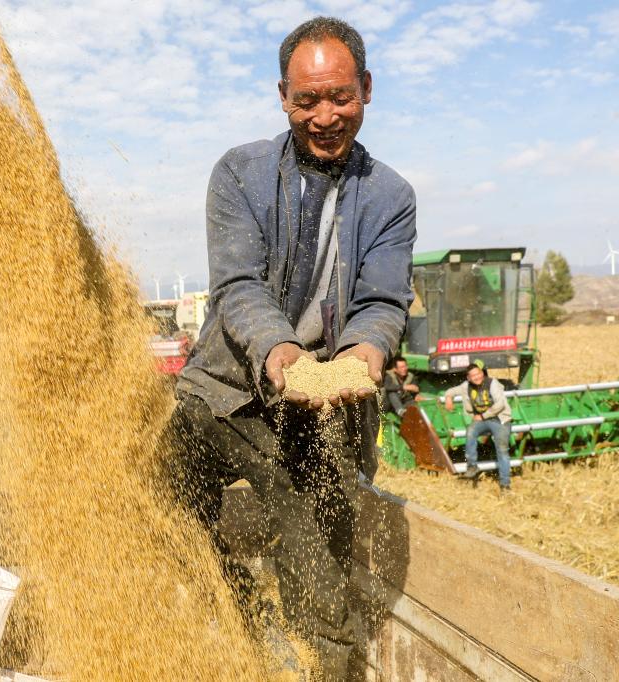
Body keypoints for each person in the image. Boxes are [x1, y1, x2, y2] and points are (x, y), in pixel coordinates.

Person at [163, 16, 416, 680]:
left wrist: (364, 354)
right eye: (307, 101)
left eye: (340, 97)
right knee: (161, 480)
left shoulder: (390, 197)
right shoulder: (240, 173)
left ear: (365, 88)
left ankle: (320, 659)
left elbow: (381, 301)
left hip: (315, 411)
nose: (325, 115)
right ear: (283, 97)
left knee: (318, 567)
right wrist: (278, 351)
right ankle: (235, 618)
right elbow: (239, 282)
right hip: (225, 390)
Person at [443, 360, 512, 490]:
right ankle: (472, 467)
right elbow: (451, 391)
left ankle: (505, 483)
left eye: (478, 373)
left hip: (499, 419)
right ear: (468, 378)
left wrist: (482, 416)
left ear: (482, 373)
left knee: (502, 451)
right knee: (470, 432)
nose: (477, 377)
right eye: (473, 376)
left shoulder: (492, 383)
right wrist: (448, 397)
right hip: (483, 421)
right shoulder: (466, 386)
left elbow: (500, 404)